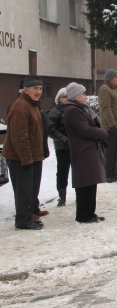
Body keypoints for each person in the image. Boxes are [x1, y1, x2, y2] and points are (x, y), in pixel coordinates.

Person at [2, 75, 49, 230]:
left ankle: (29, 215)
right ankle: (23, 220)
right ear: (26, 89)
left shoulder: (33, 105)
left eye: (40, 88)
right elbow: (20, 137)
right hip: (20, 157)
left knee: (31, 188)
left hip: (33, 155)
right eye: (35, 88)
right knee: (23, 189)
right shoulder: (20, 107)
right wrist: (26, 158)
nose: (38, 91)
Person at [64, 82, 109, 224]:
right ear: (76, 96)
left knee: (91, 182)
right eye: (83, 94)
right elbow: (84, 130)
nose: (85, 96)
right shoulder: (72, 110)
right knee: (84, 184)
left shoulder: (81, 108)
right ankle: (83, 215)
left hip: (89, 149)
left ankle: (90, 212)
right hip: (82, 151)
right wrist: (101, 132)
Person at [98, 69, 117, 183]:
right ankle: (108, 174)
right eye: (116, 77)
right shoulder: (105, 89)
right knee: (109, 151)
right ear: (109, 78)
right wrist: (112, 124)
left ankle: (114, 172)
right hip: (110, 127)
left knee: (115, 151)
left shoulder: (114, 90)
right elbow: (105, 108)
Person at [47, 87, 71, 206]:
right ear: (59, 98)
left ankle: (79, 193)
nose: (67, 99)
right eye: (64, 96)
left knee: (78, 170)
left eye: (68, 96)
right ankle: (62, 196)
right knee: (62, 171)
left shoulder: (72, 110)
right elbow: (51, 130)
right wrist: (65, 140)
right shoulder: (54, 112)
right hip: (62, 147)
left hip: (75, 146)